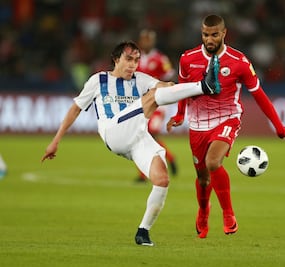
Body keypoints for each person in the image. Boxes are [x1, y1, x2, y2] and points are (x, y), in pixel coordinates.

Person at [41, 41, 221, 246]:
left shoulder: (141, 79)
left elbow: (165, 87)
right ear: (116, 59)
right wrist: (55, 141)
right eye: (128, 59)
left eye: (136, 60)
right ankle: (204, 87)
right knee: (152, 97)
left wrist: (179, 85)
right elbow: (75, 109)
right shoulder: (98, 80)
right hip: (113, 132)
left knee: (162, 180)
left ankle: (143, 232)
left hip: (136, 138)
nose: (133, 65)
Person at [167, 14, 285, 239]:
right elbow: (183, 88)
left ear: (224, 33)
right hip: (197, 123)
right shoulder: (188, 59)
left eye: (214, 34)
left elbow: (259, 95)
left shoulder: (239, 62)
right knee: (202, 178)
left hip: (227, 118)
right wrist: (180, 113)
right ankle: (203, 211)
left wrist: (278, 125)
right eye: (205, 35)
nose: (209, 39)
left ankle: (228, 214)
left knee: (213, 162)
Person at [135, 29, 177, 182]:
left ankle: (168, 159)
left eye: (149, 39)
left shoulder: (160, 59)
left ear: (153, 41)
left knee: (149, 134)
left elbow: (169, 75)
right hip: (140, 103)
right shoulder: (135, 59)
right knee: (140, 136)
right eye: (144, 39)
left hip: (158, 103)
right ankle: (146, 171)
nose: (146, 42)